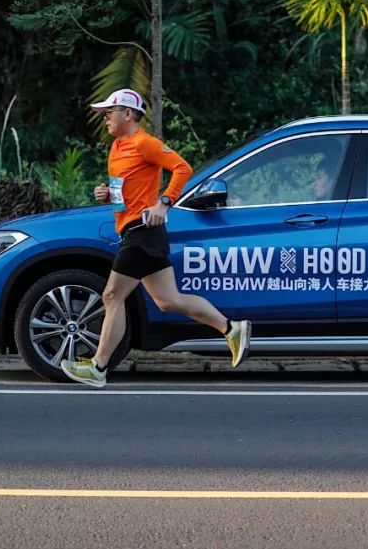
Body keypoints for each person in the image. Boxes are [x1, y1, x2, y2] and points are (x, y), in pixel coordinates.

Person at [60, 88, 251, 388]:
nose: (106, 117)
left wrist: (163, 203)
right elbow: (128, 190)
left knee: (112, 295)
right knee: (167, 300)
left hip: (143, 231)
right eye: (105, 112)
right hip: (136, 231)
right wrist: (107, 193)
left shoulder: (144, 143)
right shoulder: (117, 147)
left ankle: (98, 367)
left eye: (110, 112)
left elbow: (182, 168)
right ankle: (232, 328)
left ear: (129, 114)